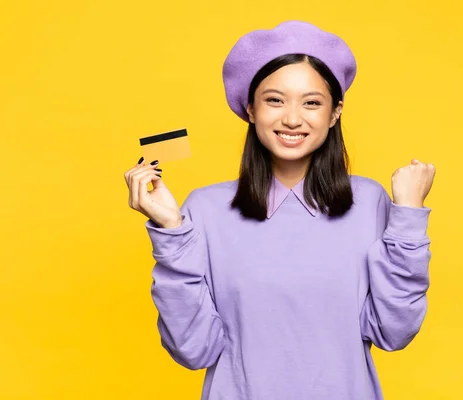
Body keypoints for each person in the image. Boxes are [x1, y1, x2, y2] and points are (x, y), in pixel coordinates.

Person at [124, 20, 436, 400]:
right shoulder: (204, 210)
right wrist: (172, 232)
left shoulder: (369, 202)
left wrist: (407, 218)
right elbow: (193, 351)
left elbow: (393, 332)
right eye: (274, 99)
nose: (292, 118)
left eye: (311, 102)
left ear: (335, 113)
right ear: (251, 108)